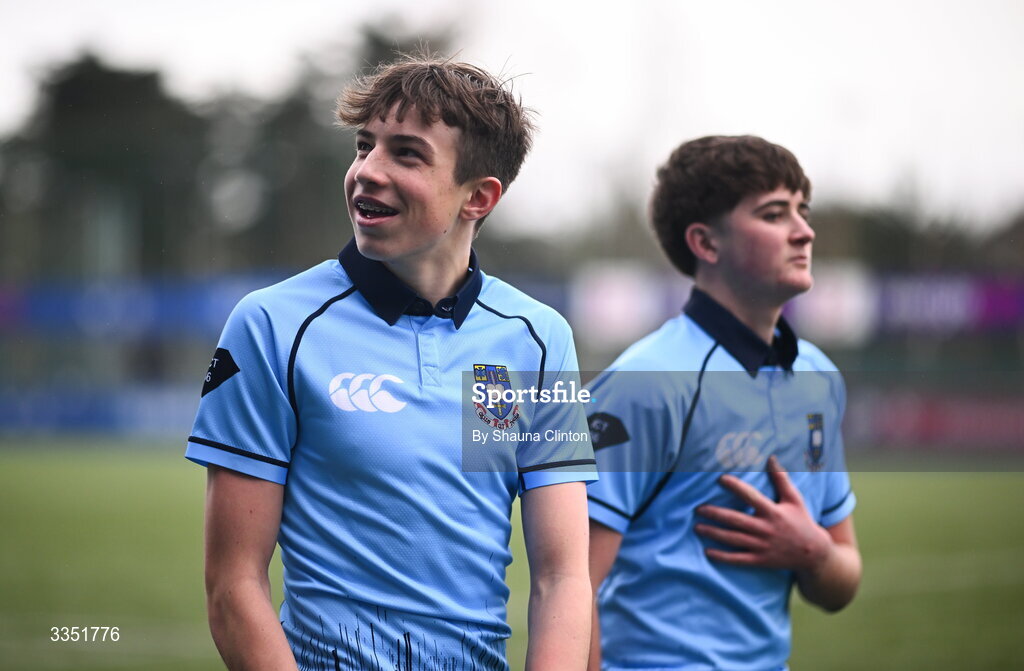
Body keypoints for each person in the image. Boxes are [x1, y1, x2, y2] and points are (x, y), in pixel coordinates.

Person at [185, 54, 597, 671]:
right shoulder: (273, 323)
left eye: (406, 154)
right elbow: (233, 584)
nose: (366, 173)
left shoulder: (540, 340)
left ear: (478, 197)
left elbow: (563, 577)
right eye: (363, 146)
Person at [586, 135, 862, 671]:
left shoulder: (820, 378)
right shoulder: (643, 383)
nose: (804, 231)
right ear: (706, 244)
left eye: (802, 211)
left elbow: (842, 581)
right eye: (774, 214)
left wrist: (814, 553)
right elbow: (570, 587)